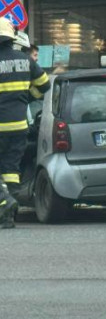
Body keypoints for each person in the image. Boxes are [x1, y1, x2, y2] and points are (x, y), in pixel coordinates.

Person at [0, 17, 50, 228]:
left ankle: (5, 202)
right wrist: (27, 97)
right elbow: (44, 85)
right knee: (11, 169)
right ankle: (9, 216)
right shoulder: (25, 59)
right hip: (19, 125)